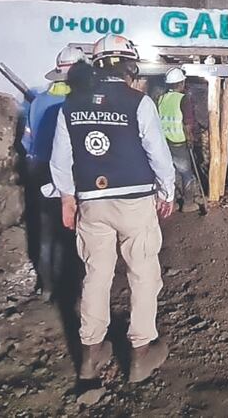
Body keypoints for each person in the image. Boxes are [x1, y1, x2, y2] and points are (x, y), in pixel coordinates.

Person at [50, 34, 176, 383]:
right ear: (129, 65)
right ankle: (140, 355)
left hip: (91, 203)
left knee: (96, 276)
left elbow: (61, 160)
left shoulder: (70, 106)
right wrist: (167, 191)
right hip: (134, 202)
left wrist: (67, 197)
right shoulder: (139, 102)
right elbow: (158, 154)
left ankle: (90, 356)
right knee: (143, 274)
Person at [20, 45, 88, 298]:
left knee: (46, 232)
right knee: (72, 229)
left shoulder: (38, 101)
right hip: (68, 172)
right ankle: (72, 288)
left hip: (38, 170)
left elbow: (27, 141)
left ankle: (47, 286)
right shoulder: (76, 104)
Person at [157, 67, 202, 212]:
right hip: (179, 142)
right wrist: (190, 139)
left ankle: (173, 201)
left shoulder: (161, 99)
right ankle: (188, 203)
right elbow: (187, 123)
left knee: (170, 172)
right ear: (181, 83)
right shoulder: (184, 99)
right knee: (186, 172)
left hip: (164, 142)